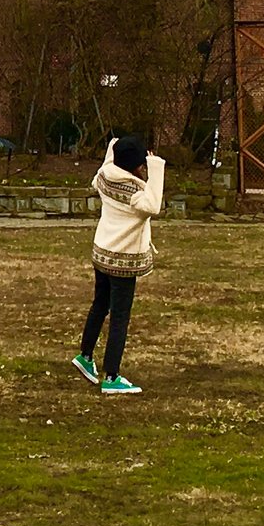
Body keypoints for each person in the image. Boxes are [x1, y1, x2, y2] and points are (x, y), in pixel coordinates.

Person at [74, 135, 164, 394]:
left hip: (102, 253)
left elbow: (107, 165)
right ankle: (111, 376)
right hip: (122, 261)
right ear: (135, 166)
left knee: (100, 305)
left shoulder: (103, 176)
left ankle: (85, 356)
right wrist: (156, 165)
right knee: (120, 317)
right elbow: (154, 205)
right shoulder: (135, 194)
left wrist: (113, 147)